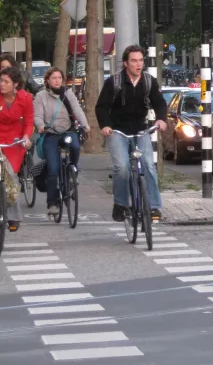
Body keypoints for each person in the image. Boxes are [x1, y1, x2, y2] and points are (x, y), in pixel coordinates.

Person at [95, 45, 167, 223]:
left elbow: (159, 103)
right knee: (122, 168)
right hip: (118, 131)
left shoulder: (149, 81)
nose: (138, 64)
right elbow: (101, 107)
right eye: (134, 61)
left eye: (141, 60)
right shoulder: (114, 82)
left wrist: (161, 119)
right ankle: (120, 203)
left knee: (149, 165)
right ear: (125, 63)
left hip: (140, 130)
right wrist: (105, 126)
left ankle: (153, 206)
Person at [34, 67, 90, 217]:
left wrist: (85, 125)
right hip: (51, 133)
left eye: (59, 78)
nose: (57, 81)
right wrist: (40, 126)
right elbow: (37, 115)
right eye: (54, 78)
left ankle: (72, 170)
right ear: (48, 80)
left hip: (68, 131)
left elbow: (77, 110)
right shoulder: (41, 96)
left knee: (76, 147)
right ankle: (52, 203)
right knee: (53, 168)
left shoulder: (68, 93)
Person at [0, 67, 33, 231]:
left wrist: (26, 137)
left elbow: (28, 121)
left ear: (16, 84)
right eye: (1, 81)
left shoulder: (26, 98)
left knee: (11, 176)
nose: (1, 85)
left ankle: (13, 217)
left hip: (14, 143)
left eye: (6, 82)